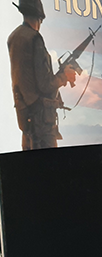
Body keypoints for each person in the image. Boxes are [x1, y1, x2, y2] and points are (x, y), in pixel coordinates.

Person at [8, 0, 77, 151]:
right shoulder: (35, 38)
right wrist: (63, 76)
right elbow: (45, 84)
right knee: (50, 169)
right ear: (40, 18)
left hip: (25, 116)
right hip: (42, 122)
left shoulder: (13, 37)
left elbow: (28, 78)